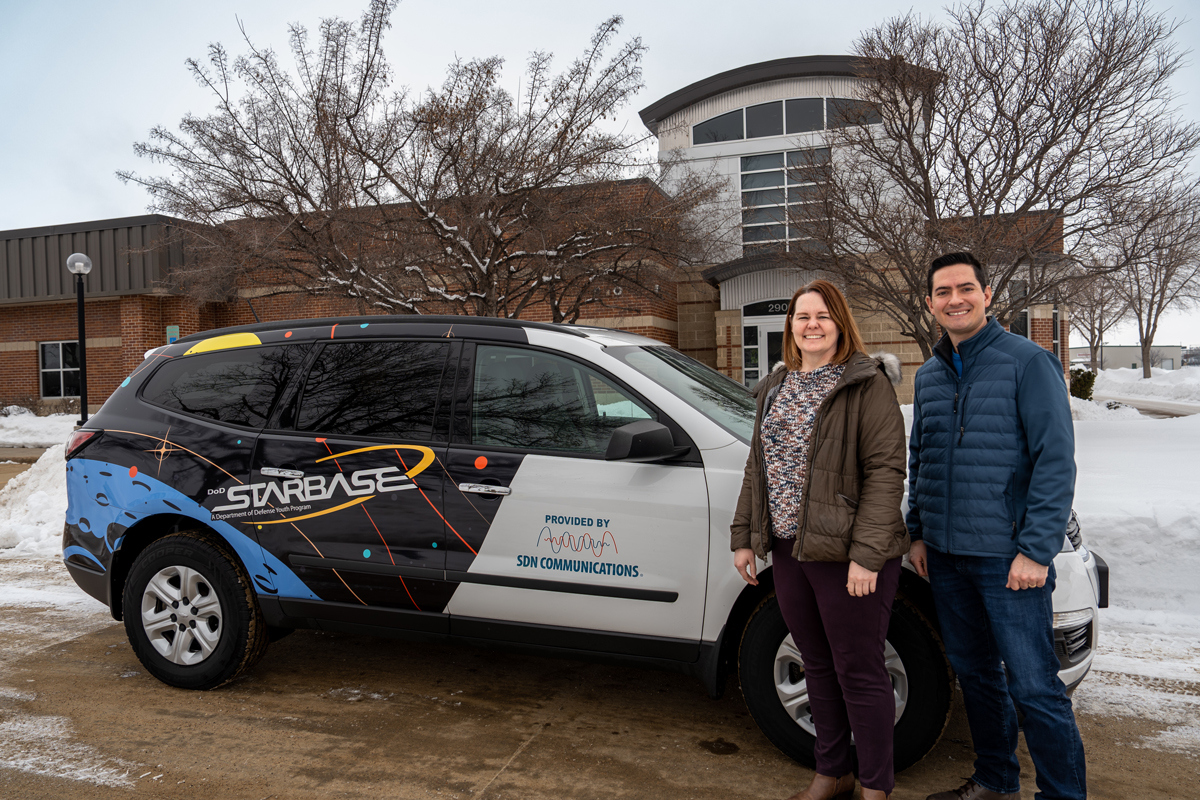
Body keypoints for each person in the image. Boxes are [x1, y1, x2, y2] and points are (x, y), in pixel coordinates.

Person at [907, 253, 1086, 800]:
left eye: (966, 288)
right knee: (979, 677)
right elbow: (924, 459)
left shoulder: (1028, 362)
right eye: (943, 291)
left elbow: (1056, 460)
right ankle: (993, 779)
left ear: (988, 295)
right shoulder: (930, 374)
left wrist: (1036, 549)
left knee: (1035, 687)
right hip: (946, 556)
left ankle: (1062, 795)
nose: (954, 299)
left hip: (1008, 561)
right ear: (931, 303)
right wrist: (917, 531)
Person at [732, 279, 908, 800]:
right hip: (789, 551)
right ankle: (832, 773)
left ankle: (875, 786)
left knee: (860, 668)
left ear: (840, 324)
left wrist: (867, 556)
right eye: (802, 316)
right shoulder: (777, 385)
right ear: (791, 326)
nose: (812, 324)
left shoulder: (866, 383)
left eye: (822, 316)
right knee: (815, 664)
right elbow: (756, 469)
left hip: (849, 557)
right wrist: (745, 537)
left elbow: (885, 471)